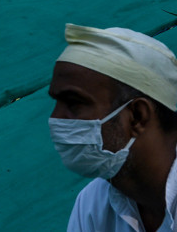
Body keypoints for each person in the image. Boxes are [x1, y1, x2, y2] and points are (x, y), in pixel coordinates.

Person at [48, 24, 177, 232]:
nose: (55, 118)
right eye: (56, 103)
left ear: (137, 116)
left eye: (73, 103)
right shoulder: (93, 205)